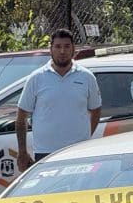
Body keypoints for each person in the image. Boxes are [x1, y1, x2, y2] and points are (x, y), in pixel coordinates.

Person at [16, 29, 102, 171]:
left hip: (79, 151)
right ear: (51, 49)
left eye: (67, 46)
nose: (62, 51)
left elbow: (96, 110)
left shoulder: (87, 77)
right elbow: (21, 117)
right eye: (58, 46)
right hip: (45, 153)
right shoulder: (36, 78)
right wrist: (22, 152)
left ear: (73, 49)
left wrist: (85, 137)